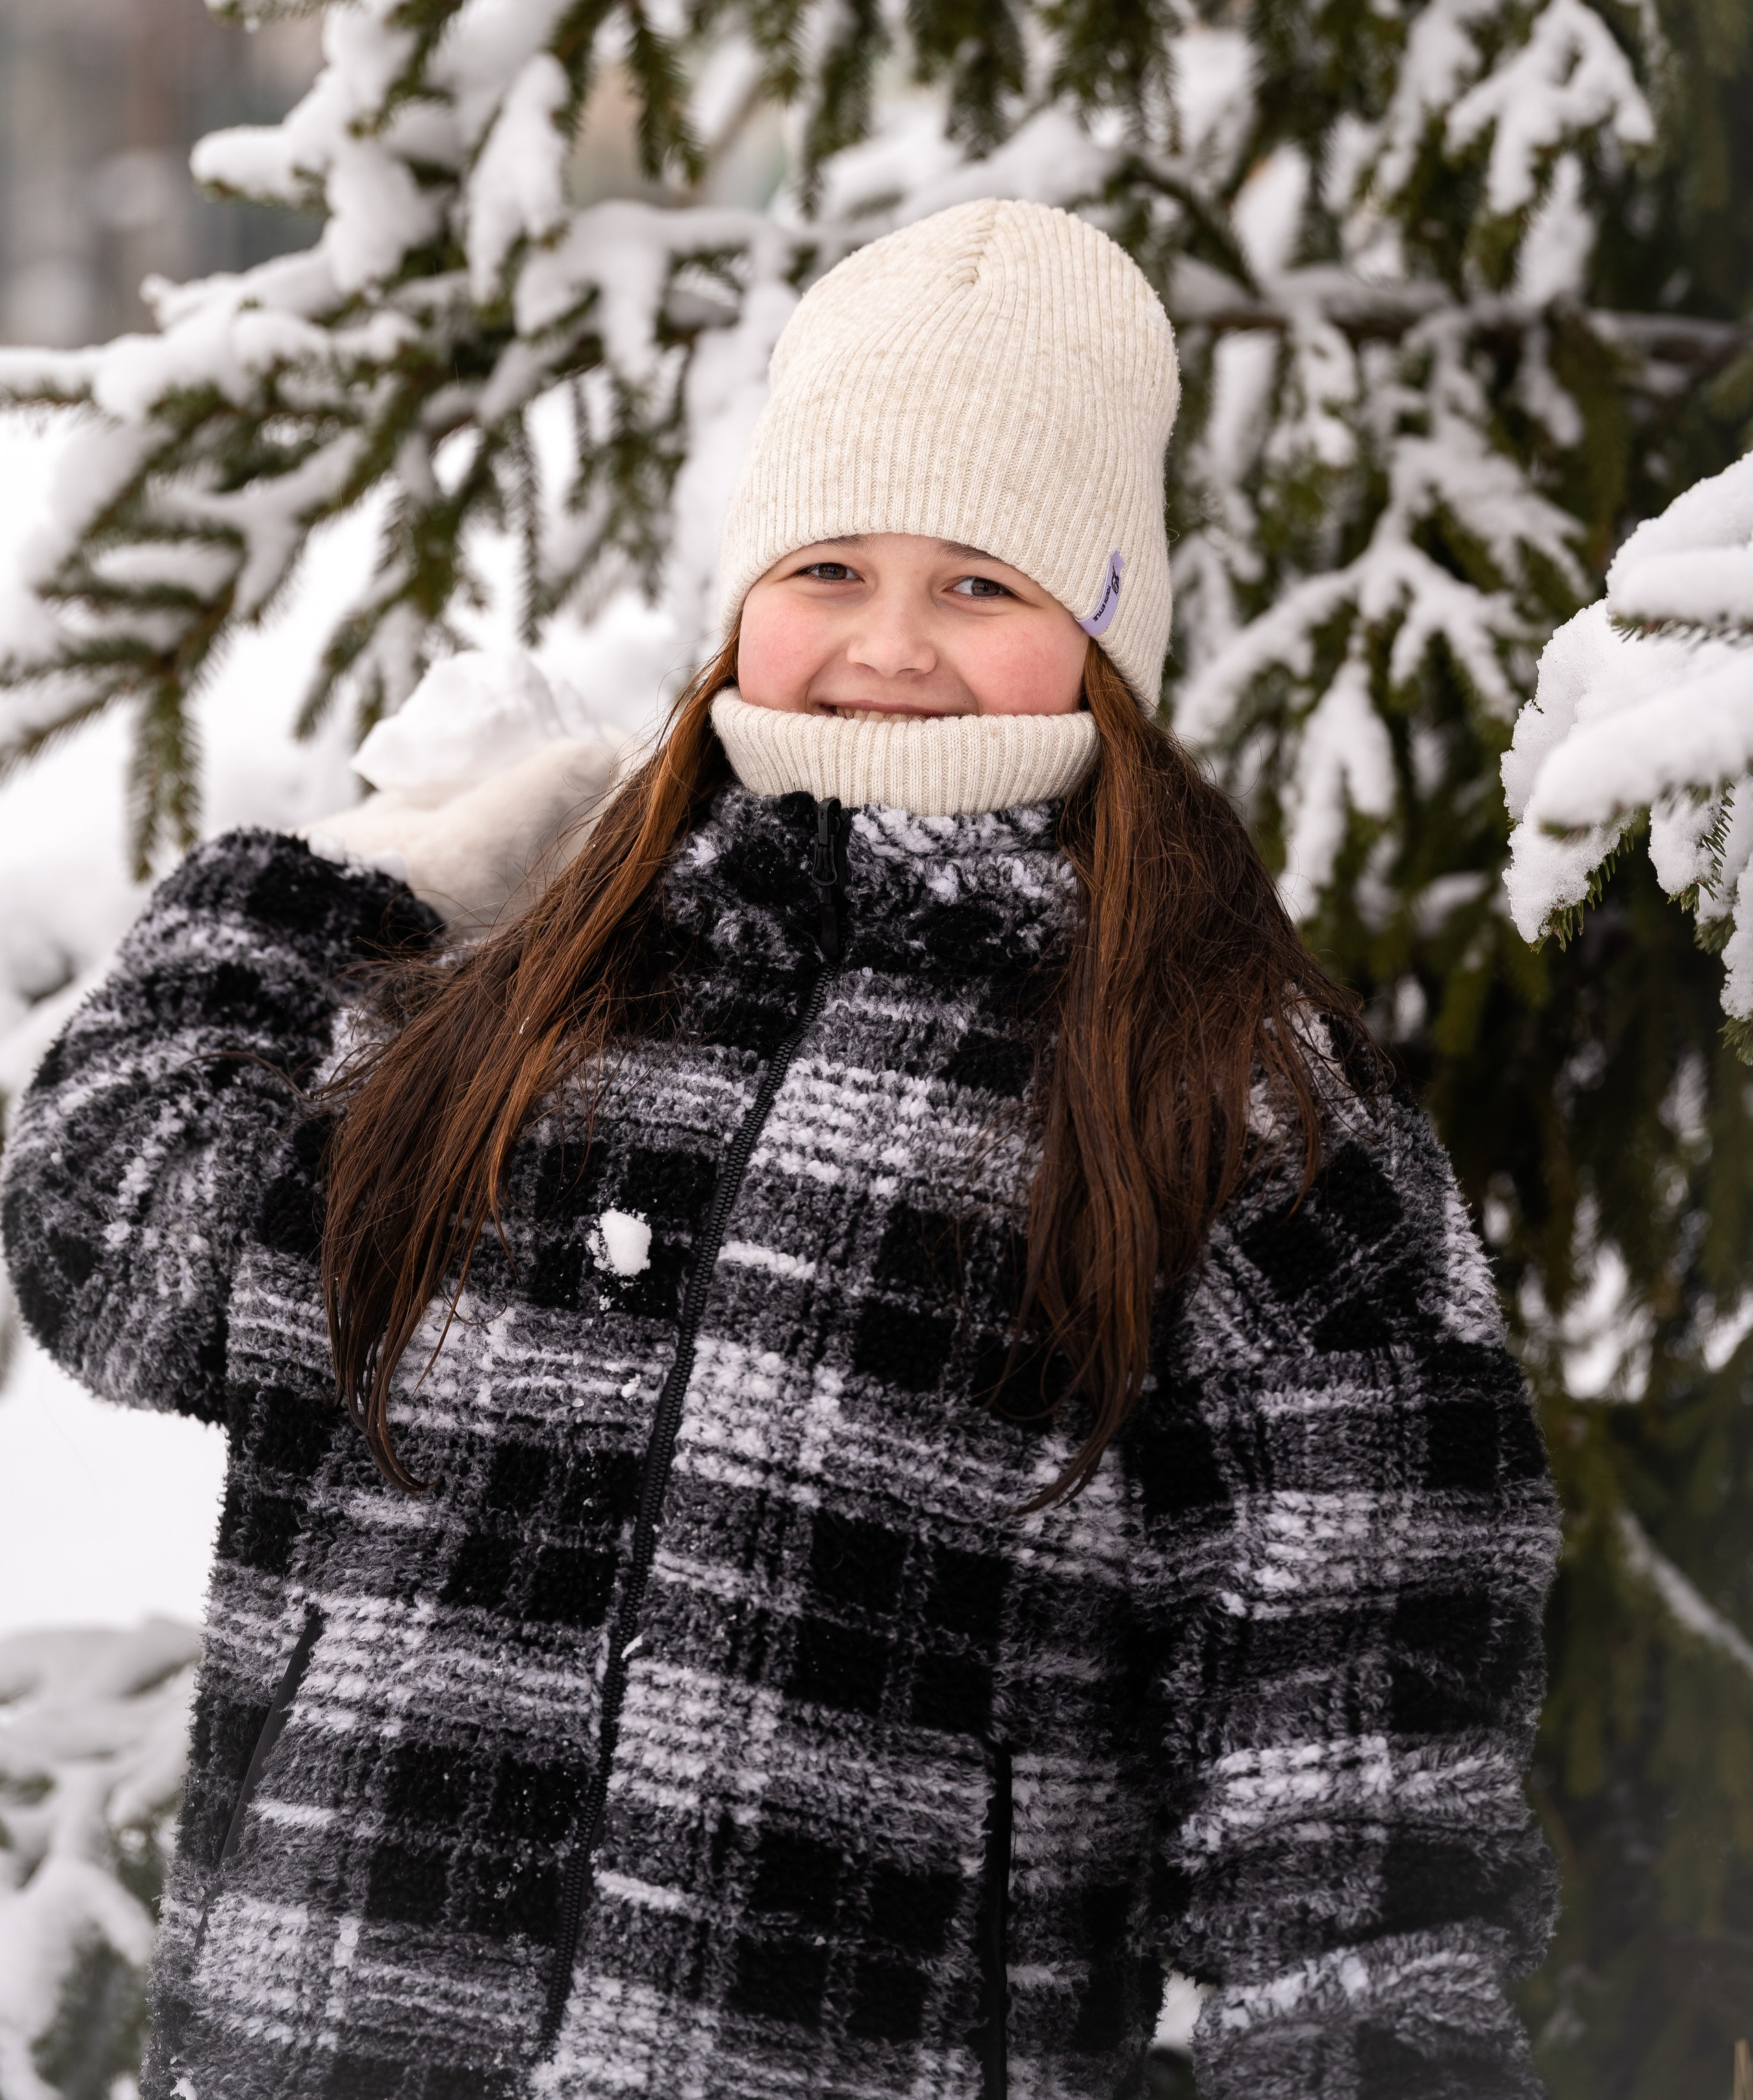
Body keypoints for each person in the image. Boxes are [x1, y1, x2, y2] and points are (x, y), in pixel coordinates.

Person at [0, 199, 1558, 2100]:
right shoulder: (521, 995)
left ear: (1104, 625)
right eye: (828, 565)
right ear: (746, 585)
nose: (886, 648)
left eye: (982, 583)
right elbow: (121, 1259)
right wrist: (351, 888)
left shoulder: (1231, 1102)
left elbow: (1363, 1823)